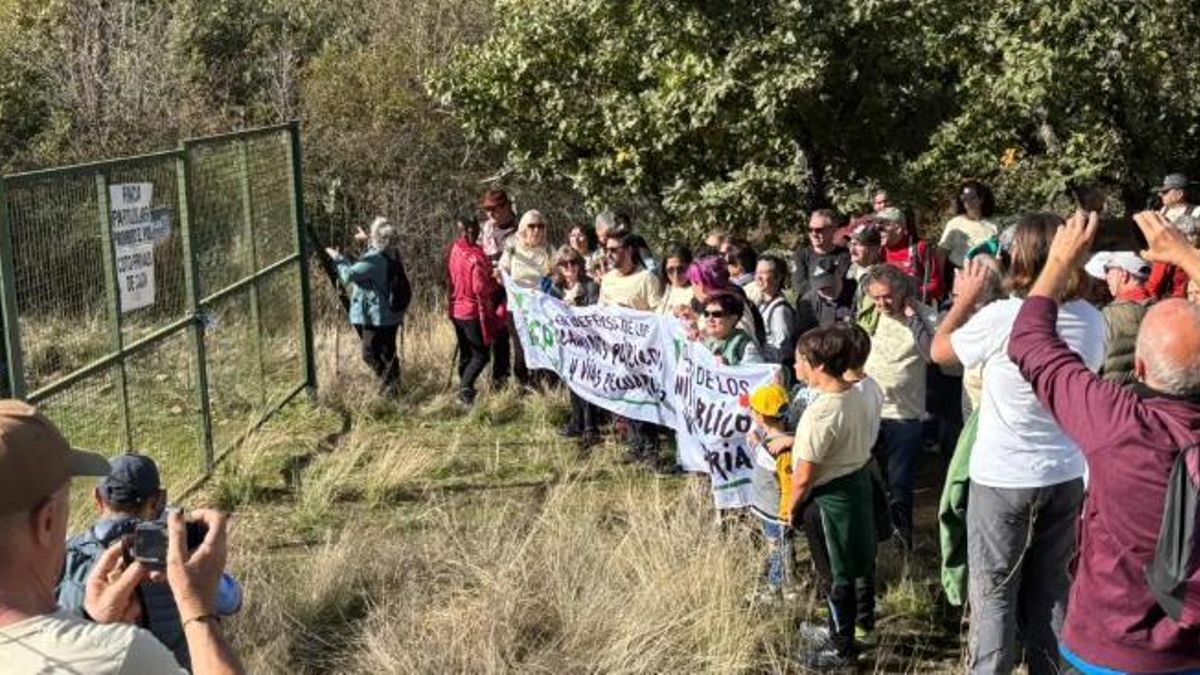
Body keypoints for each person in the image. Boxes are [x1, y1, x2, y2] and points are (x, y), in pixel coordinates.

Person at [1006, 209, 1200, 673]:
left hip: (1111, 646)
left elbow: (1030, 342)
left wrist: (1056, 263)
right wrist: (1187, 256)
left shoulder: (1118, 425)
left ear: (1139, 368)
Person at [929, 213, 1105, 675]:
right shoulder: (1091, 319)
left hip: (1003, 475)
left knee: (993, 591)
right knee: (1051, 590)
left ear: (1017, 259)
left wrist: (964, 301)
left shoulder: (1002, 317)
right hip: (1067, 473)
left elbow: (940, 352)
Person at [0, 400, 243, 674]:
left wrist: (89, 621)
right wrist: (198, 611)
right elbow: (232, 600)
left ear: (98, 499)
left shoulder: (75, 556)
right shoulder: (121, 655)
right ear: (46, 522)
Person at [57, 455, 243, 669]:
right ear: (157, 501)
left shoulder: (64, 557)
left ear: (98, 498)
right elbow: (232, 600)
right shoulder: (181, 562)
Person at [788, 327, 877, 669]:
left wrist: (791, 508)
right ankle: (839, 629)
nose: (796, 367)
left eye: (800, 361)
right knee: (850, 567)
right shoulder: (856, 393)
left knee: (833, 574)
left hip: (829, 500)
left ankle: (841, 649)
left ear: (819, 365)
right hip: (855, 486)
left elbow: (804, 475)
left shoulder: (822, 412)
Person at [861, 264, 935, 550]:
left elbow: (933, 355)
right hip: (870, 411)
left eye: (887, 297)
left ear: (903, 291)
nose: (882, 303)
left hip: (904, 416)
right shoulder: (871, 315)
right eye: (876, 297)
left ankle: (904, 541)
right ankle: (876, 540)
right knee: (870, 481)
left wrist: (914, 317)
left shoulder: (925, 315)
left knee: (900, 483)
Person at [326, 217, 408, 396]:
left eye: (372, 234)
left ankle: (388, 384)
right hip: (393, 313)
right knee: (389, 352)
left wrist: (338, 258)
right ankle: (396, 388)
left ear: (378, 238)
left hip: (377, 315)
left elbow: (348, 275)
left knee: (369, 353)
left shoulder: (374, 259)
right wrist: (368, 240)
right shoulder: (393, 252)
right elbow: (379, 246)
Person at [548, 246, 602, 449]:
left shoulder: (590, 287)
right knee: (572, 382)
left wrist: (575, 306)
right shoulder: (555, 288)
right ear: (558, 267)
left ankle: (591, 428)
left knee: (586, 384)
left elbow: (595, 314)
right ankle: (576, 422)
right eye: (564, 264)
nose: (569, 267)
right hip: (566, 343)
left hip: (588, 344)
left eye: (573, 262)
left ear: (579, 264)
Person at [745, 383, 795, 602]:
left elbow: (784, 481)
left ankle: (779, 587)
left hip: (776, 512)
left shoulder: (774, 448)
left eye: (753, 410)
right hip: (777, 509)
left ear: (761, 417)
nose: (750, 412)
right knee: (782, 546)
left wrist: (756, 443)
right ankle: (786, 582)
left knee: (778, 547)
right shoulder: (787, 437)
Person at [447, 215, 503, 405]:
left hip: (456, 309)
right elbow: (480, 287)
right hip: (471, 310)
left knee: (466, 351)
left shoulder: (455, 249)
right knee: (481, 354)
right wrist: (495, 282)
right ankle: (465, 390)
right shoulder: (475, 257)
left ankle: (465, 392)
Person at [499, 210, 553, 388]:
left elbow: (555, 275)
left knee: (539, 346)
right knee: (521, 348)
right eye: (532, 226)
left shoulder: (547, 249)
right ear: (523, 227)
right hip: (517, 308)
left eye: (540, 226)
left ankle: (538, 385)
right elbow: (503, 270)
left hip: (541, 308)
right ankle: (523, 383)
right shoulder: (512, 246)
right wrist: (500, 275)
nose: (536, 230)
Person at [1084, 251, 1153, 386]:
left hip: (1115, 400)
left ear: (1124, 274)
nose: (1106, 276)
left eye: (1108, 270)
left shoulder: (1106, 316)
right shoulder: (1162, 312)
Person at [687, 256, 766, 345]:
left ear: (703, 285)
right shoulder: (712, 305)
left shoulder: (732, 306)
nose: (692, 288)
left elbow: (743, 346)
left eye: (694, 283)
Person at [878, 206, 943, 304]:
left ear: (898, 228)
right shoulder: (879, 251)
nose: (878, 231)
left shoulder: (919, 248)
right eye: (876, 227)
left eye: (881, 227)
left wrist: (908, 295)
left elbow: (936, 284)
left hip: (918, 307)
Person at [939, 181, 998, 270]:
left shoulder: (993, 226)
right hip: (958, 274)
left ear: (981, 199)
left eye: (972, 198)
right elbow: (942, 253)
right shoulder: (954, 224)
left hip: (985, 274)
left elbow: (998, 255)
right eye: (964, 198)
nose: (968, 202)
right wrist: (939, 279)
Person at [793, 209, 851, 299]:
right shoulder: (801, 255)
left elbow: (840, 286)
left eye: (819, 230)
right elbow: (800, 287)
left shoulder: (844, 256)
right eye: (810, 229)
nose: (813, 234)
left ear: (833, 230)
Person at [755, 255, 798, 367]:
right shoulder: (760, 303)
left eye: (764, 273)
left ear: (778, 277)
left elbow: (783, 350)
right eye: (757, 272)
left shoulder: (780, 310)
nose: (759, 277)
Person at [701, 291, 763, 365]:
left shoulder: (744, 346)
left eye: (717, 314)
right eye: (706, 314)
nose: (710, 319)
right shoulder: (707, 342)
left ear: (733, 318)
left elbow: (755, 372)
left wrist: (728, 368)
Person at [657, 243, 695, 316]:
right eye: (670, 270)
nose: (676, 275)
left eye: (681, 269)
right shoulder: (663, 289)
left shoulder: (696, 292)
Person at [724, 237, 760, 302]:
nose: (725, 266)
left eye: (727, 263)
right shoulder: (733, 284)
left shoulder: (754, 290)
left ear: (739, 266)